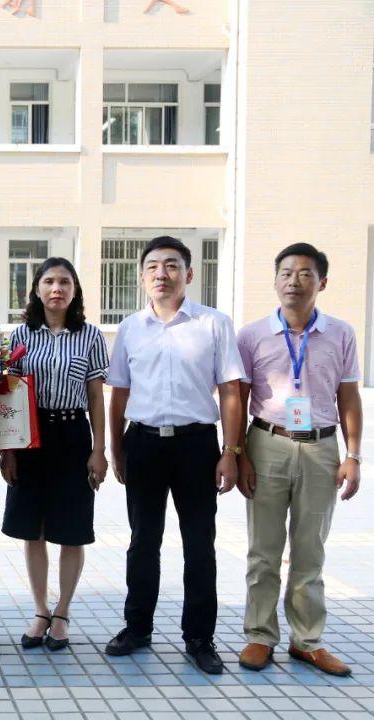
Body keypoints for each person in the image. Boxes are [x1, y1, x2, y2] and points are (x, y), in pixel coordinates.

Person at [104, 235, 244, 675]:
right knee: (143, 541)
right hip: (142, 442)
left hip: (196, 446)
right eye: (152, 267)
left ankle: (200, 637)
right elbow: (119, 393)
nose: (161, 274)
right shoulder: (130, 327)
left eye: (171, 265)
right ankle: (138, 627)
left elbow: (231, 392)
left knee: (199, 544)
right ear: (142, 276)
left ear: (189, 273)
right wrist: (116, 447)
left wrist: (231, 451)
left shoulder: (213, 323)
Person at [235, 243, 363, 677]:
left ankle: (307, 640)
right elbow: (238, 397)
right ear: (275, 281)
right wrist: (237, 455)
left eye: (305, 274)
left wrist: (354, 455)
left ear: (321, 283)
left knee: (310, 549)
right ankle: (259, 635)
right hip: (267, 441)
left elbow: (348, 396)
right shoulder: (251, 335)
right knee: (263, 550)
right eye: (286, 273)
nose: (294, 281)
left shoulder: (341, 333)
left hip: (321, 447)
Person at [0, 258, 109, 651]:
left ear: (75, 290)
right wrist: (8, 450)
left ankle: (62, 611)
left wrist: (99, 448)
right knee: (33, 528)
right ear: (37, 289)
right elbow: (7, 394)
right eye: (49, 281)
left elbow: (96, 395)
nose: (56, 288)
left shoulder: (91, 336)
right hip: (30, 436)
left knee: (71, 528)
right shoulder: (19, 336)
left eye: (65, 281)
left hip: (72, 434)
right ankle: (40, 609)